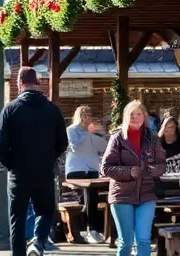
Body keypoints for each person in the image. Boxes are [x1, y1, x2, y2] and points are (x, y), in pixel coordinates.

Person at [0, 67, 68, 256]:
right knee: (46, 211)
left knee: (17, 220)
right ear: (38, 83)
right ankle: (38, 241)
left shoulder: (10, 110)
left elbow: (0, 146)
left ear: (19, 83)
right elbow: (63, 143)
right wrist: (49, 158)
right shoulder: (53, 110)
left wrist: (11, 165)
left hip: (19, 174)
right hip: (44, 172)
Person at [101, 99, 166, 256]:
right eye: (132, 114)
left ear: (144, 116)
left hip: (147, 194)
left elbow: (162, 164)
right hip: (122, 195)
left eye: (139, 114)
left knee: (144, 240)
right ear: (125, 116)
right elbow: (106, 168)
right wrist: (128, 172)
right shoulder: (117, 138)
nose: (135, 117)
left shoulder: (152, 138)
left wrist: (153, 170)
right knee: (126, 241)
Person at [66, 106, 109, 243]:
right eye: (85, 115)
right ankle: (91, 228)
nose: (88, 118)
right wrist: (87, 134)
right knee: (88, 194)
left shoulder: (93, 132)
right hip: (77, 169)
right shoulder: (71, 130)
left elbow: (103, 148)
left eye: (89, 115)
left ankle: (89, 228)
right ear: (79, 116)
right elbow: (76, 146)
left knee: (92, 196)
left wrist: (99, 135)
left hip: (91, 169)